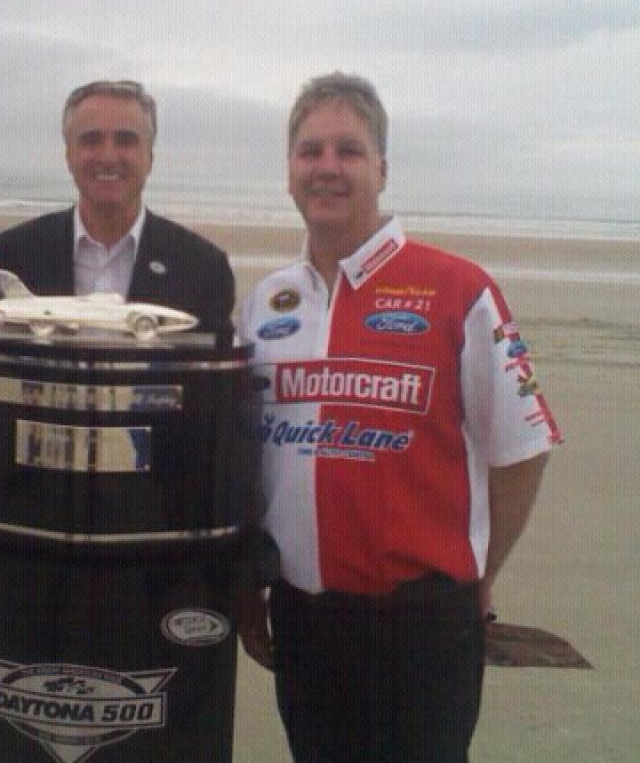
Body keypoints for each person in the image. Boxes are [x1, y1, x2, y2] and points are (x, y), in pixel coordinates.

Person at [236, 72, 561, 761]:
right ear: (289, 171)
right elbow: (252, 458)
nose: (327, 167)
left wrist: (481, 575)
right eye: (310, 151)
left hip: (423, 624)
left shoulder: (459, 288)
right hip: (303, 618)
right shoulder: (265, 303)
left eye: (349, 150)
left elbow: (523, 447)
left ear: (381, 169)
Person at [0, 79, 235, 343]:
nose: (108, 156)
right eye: (91, 140)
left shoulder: (203, 269)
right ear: (69, 156)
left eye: (125, 140)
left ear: (150, 158)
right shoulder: (10, 256)